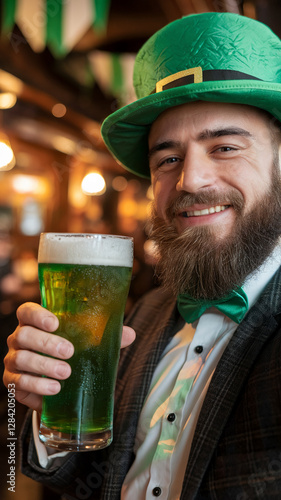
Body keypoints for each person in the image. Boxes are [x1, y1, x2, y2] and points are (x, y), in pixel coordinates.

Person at [3, 11, 281, 499]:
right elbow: (84, 475)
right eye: (168, 159)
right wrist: (52, 412)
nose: (191, 181)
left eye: (225, 147)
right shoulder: (147, 311)